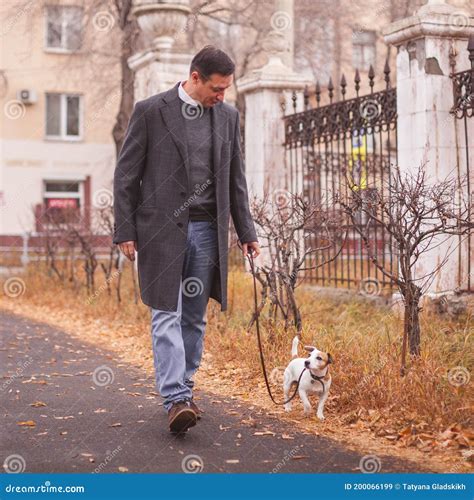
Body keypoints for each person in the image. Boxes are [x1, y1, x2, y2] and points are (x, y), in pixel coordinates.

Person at [113, 45, 260, 434]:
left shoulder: (227, 117)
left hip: (207, 231)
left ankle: (186, 390)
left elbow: (236, 179)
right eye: (217, 88)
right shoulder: (150, 111)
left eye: (227, 89)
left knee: (194, 317)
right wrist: (125, 230)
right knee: (166, 313)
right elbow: (126, 175)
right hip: (160, 231)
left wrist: (246, 231)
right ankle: (175, 397)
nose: (222, 96)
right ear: (195, 78)